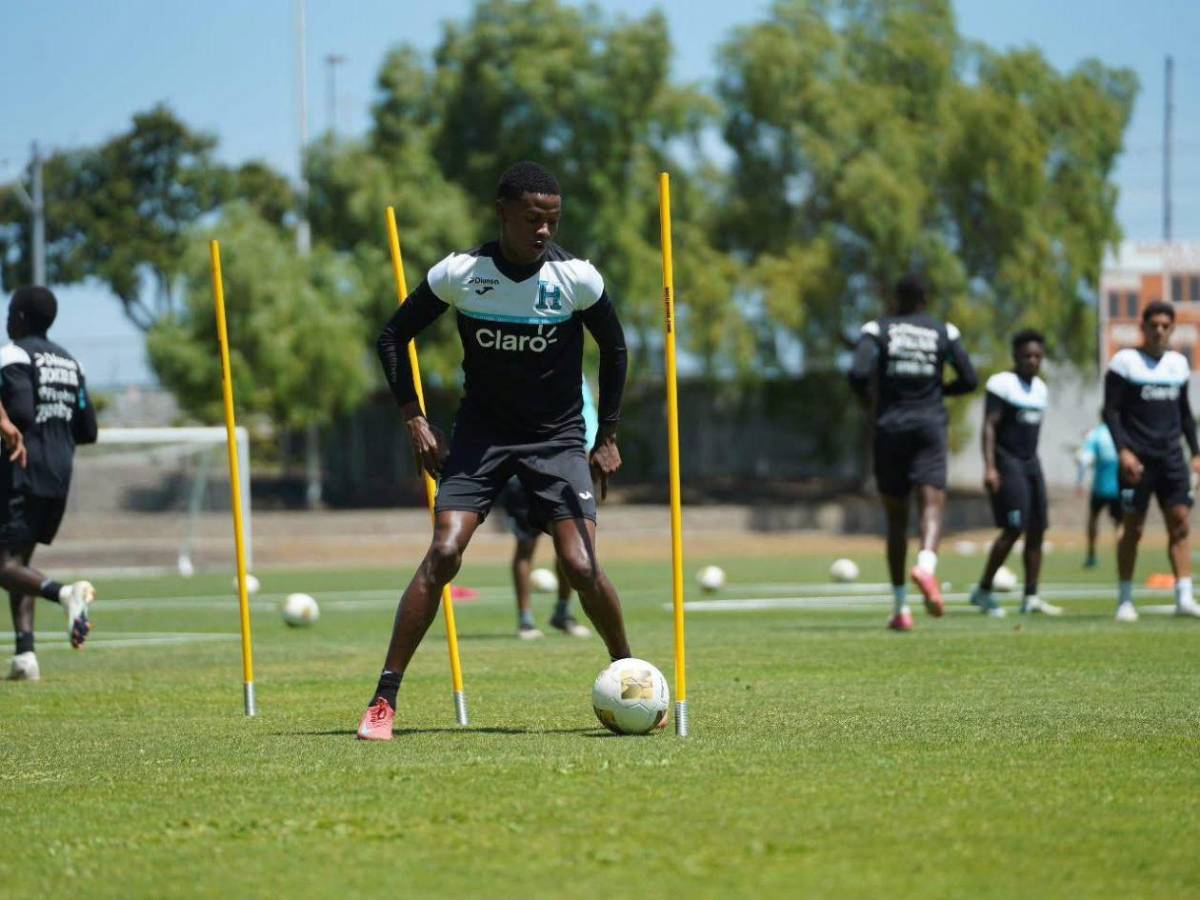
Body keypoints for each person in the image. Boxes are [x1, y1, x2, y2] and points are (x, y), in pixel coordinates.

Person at [358, 161, 633, 740]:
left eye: (552, 220)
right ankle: (383, 702)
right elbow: (392, 335)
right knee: (444, 552)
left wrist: (605, 434)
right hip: (481, 437)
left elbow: (614, 348)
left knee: (580, 565)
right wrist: (415, 419)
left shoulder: (577, 278)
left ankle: (630, 675)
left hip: (557, 439)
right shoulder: (461, 273)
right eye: (533, 218)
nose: (543, 230)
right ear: (502, 211)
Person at [849, 274, 978, 631]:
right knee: (932, 502)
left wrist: (870, 401)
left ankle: (900, 608)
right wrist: (937, 391)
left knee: (895, 518)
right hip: (929, 426)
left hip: (889, 427)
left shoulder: (877, 330)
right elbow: (969, 378)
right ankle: (926, 565)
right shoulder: (944, 332)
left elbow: (858, 373)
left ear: (896, 298)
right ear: (925, 300)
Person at [2, 287, 99, 681]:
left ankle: (63, 593)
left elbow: (21, 410)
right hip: (59, 473)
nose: (7, 320)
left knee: (4, 564)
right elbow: (89, 429)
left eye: (10, 312)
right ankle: (26, 655)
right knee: (18, 563)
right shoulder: (71, 363)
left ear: (21, 317)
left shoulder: (14, 353)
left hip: (19, 466)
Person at [1103, 300, 1200, 622]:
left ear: (1172, 329)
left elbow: (1185, 414)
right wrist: (1123, 452)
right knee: (1133, 528)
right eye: (1153, 324)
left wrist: (1196, 452)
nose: (1159, 330)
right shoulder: (1124, 362)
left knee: (1181, 523)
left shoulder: (1178, 364)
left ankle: (1184, 597)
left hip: (1172, 458)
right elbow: (1111, 412)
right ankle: (1125, 599)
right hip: (1137, 461)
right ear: (1142, 327)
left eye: (1165, 325)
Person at [968, 330, 1062, 617]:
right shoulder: (1002, 384)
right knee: (1013, 528)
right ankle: (983, 591)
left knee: (1037, 530)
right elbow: (989, 426)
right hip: (1007, 464)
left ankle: (1030, 597)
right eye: (1026, 356)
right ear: (1015, 357)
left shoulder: (1040, 389)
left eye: (1037, 356)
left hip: (1031, 464)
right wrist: (990, 466)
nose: (1032, 361)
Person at [503, 376, 596, 640]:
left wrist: (588, 447)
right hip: (520, 467)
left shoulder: (571, 370)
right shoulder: (509, 366)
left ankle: (563, 612)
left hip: (564, 464)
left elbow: (586, 409)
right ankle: (526, 620)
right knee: (525, 545)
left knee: (570, 546)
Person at [1076, 417, 1121, 568]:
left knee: (1093, 520)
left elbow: (1084, 460)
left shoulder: (1096, 435)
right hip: (1119, 487)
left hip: (1100, 487)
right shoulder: (1122, 432)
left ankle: (1091, 555)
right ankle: (1122, 556)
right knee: (1119, 524)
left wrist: (1080, 482)